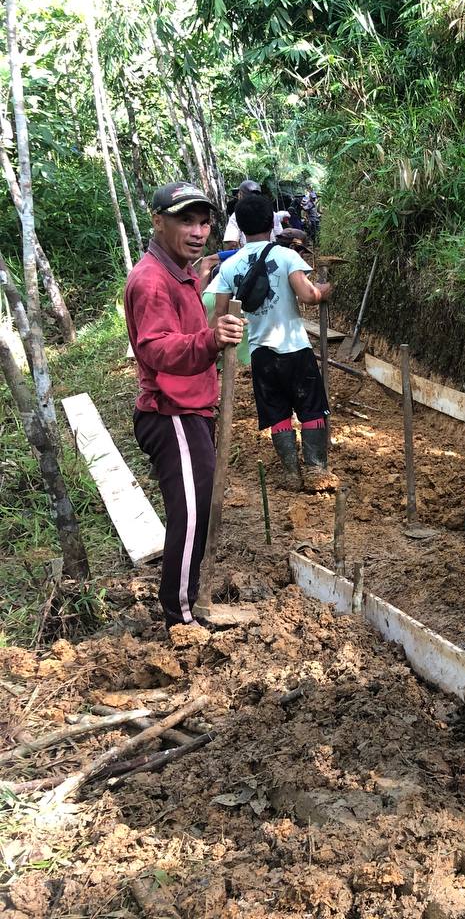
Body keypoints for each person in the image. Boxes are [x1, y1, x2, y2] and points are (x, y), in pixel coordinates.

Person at [124, 182, 244, 631]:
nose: (198, 231)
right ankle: (181, 616)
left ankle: (189, 600)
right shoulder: (152, 280)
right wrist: (210, 340)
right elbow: (155, 348)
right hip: (169, 413)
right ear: (158, 221)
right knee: (191, 513)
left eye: (203, 221)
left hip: (190, 410)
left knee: (200, 505)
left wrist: (214, 332)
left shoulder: (181, 271)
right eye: (185, 221)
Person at [210, 192, 335, 491]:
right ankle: (317, 470)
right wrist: (326, 288)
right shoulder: (286, 255)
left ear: (239, 227)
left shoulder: (229, 266)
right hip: (294, 347)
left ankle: (291, 472)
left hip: (260, 352)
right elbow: (308, 295)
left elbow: (220, 314)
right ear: (272, 223)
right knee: (311, 406)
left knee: (276, 410)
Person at [222, 180, 287, 249]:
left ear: (240, 195)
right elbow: (279, 236)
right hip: (271, 253)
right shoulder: (271, 213)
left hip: (248, 255)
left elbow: (231, 243)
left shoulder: (236, 215)